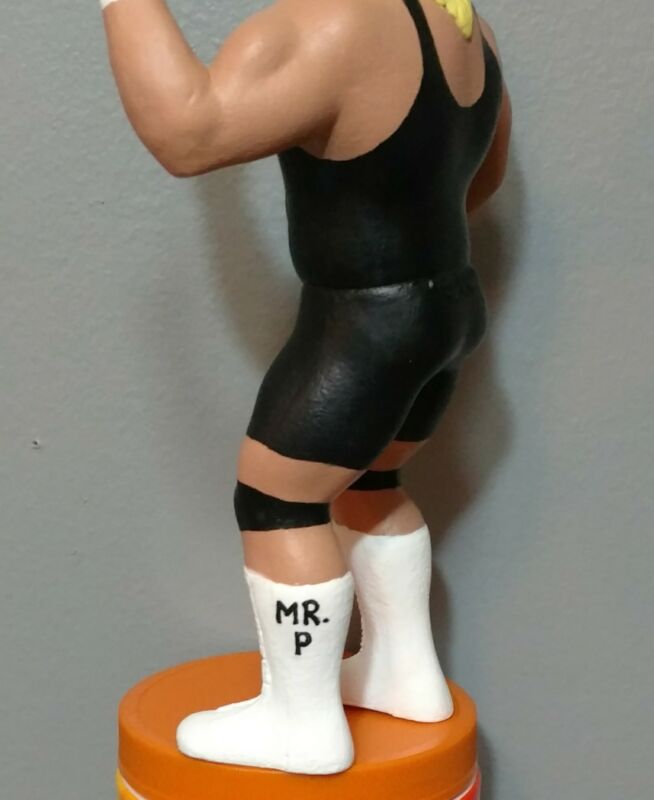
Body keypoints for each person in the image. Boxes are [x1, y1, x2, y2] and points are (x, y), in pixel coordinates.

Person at [101, 0, 512, 775]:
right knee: (372, 480)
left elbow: (188, 133)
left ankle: (301, 719)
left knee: (278, 500)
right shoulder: (467, 28)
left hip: (365, 322)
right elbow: (480, 177)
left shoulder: (330, 25)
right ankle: (404, 674)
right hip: (446, 310)